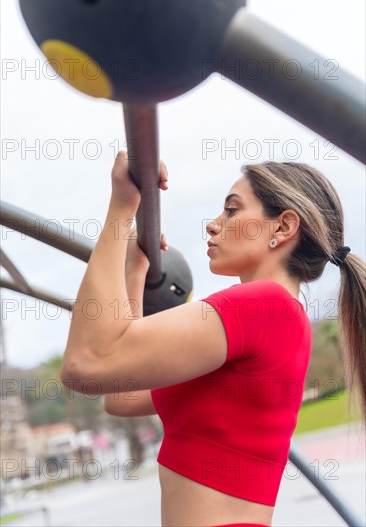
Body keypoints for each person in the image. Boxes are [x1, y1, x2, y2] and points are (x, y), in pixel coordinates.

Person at [61, 151, 366, 527]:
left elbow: (85, 364)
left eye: (232, 211)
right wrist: (134, 272)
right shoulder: (277, 318)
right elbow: (121, 396)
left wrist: (123, 207)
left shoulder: (265, 306)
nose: (213, 225)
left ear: (283, 227)